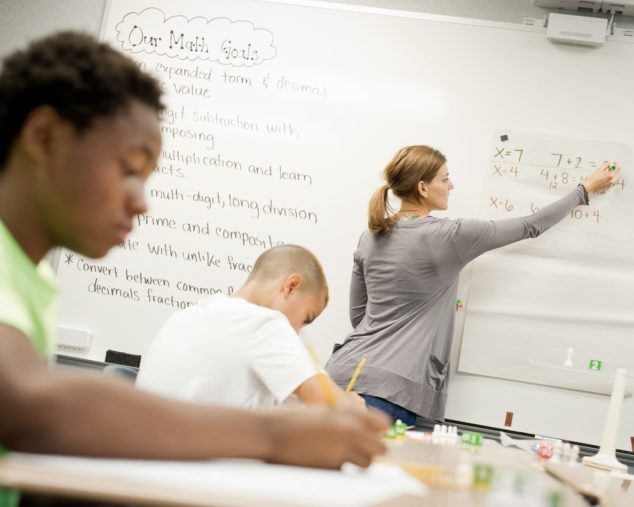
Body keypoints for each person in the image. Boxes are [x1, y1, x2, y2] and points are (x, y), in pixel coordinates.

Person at [0, 31, 389, 507]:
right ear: (45, 137)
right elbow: (28, 406)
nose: (142, 202)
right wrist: (274, 435)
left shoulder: (33, 275)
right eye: (128, 168)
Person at [325, 145, 620, 425]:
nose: (451, 185)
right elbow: (531, 225)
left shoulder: (371, 236)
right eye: (445, 178)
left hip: (338, 376)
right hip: (386, 392)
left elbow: (359, 317)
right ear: (423, 188)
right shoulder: (450, 235)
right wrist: (584, 191)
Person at [137, 245, 363, 409]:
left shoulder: (186, 315)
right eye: (306, 318)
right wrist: (351, 403)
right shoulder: (264, 323)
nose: (298, 331)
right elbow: (336, 410)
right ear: (291, 286)